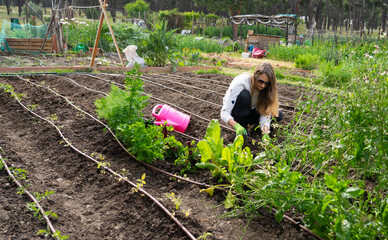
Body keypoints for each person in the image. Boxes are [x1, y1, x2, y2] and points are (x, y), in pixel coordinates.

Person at [220, 62, 283, 137]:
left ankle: (254, 129)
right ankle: (242, 127)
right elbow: (224, 112)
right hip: (236, 113)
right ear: (255, 76)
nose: (263, 85)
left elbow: (265, 113)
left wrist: (265, 132)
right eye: (260, 81)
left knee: (278, 115)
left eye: (267, 83)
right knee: (244, 96)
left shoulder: (266, 89)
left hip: (250, 112)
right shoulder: (241, 82)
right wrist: (236, 125)